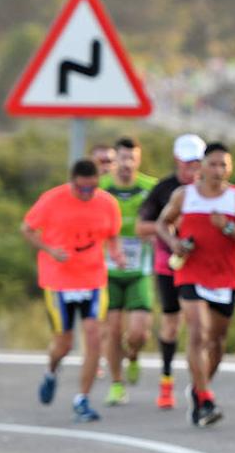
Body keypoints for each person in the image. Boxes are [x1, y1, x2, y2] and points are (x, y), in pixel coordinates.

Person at [155, 143, 235, 426]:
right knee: (198, 334)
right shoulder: (184, 196)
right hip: (191, 273)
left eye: (224, 165)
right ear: (201, 167)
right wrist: (175, 243)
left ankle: (200, 387)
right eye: (213, 164)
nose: (218, 170)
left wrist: (228, 228)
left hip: (225, 277)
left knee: (216, 342)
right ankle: (205, 397)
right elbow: (161, 224)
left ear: (231, 168)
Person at [23, 159, 124, 422]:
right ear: (72, 182)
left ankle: (83, 399)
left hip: (93, 279)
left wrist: (116, 253)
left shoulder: (107, 203)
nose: (88, 194)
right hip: (59, 281)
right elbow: (27, 228)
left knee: (93, 337)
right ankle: (51, 371)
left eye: (92, 188)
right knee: (63, 344)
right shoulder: (52, 200)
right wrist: (49, 250)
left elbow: (112, 234)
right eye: (82, 190)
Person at [137, 134, 206, 410]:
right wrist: (169, 230)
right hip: (168, 266)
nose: (193, 169)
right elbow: (142, 228)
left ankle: (200, 386)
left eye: (197, 163)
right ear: (178, 161)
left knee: (200, 327)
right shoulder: (164, 189)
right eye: (188, 163)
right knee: (171, 324)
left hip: (201, 267)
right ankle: (166, 382)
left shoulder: (209, 189)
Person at [99, 137, 158, 405]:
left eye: (131, 158)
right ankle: (116, 383)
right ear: (115, 160)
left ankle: (133, 355)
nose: (126, 164)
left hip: (139, 270)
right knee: (112, 331)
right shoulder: (101, 189)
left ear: (138, 160)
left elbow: (167, 219)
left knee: (138, 333)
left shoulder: (150, 188)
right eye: (121, 158)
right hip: (107, 271)